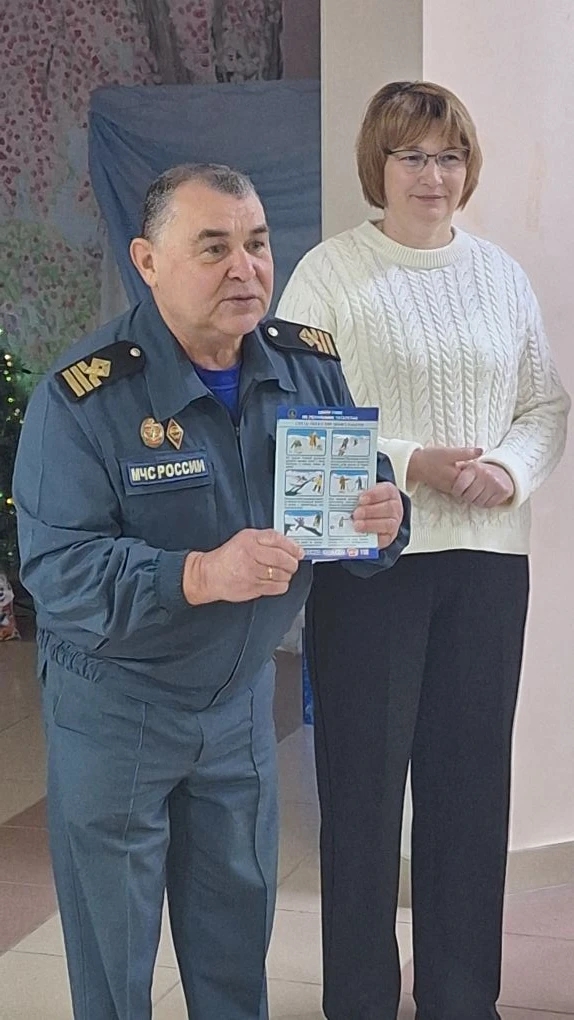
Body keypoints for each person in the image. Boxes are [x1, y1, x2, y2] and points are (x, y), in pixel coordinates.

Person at [13, 163, 409, 1020]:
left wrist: (386, 517)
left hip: (237, 712)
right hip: (118, 709)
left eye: (257, 244)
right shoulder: (85, 397)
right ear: (148, 262)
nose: (246, 268)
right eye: (214, 248)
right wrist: (198, 573)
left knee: (235, 952)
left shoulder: (304, 367)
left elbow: (356, 503)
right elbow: (59, 571)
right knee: (115, 964)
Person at [277, 82, 570, 1020]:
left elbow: (545, 404)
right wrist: (413, 463)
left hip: (487, 566)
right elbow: (296, 414)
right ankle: (360, 1000)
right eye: (412, 156)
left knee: (470, 790)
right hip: (372, 566)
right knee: (363, 793)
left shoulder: (501, 275)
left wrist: (508, 472)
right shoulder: (329, 273)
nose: (432, 175)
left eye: (449, 156)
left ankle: (461, 997)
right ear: (380, 163)